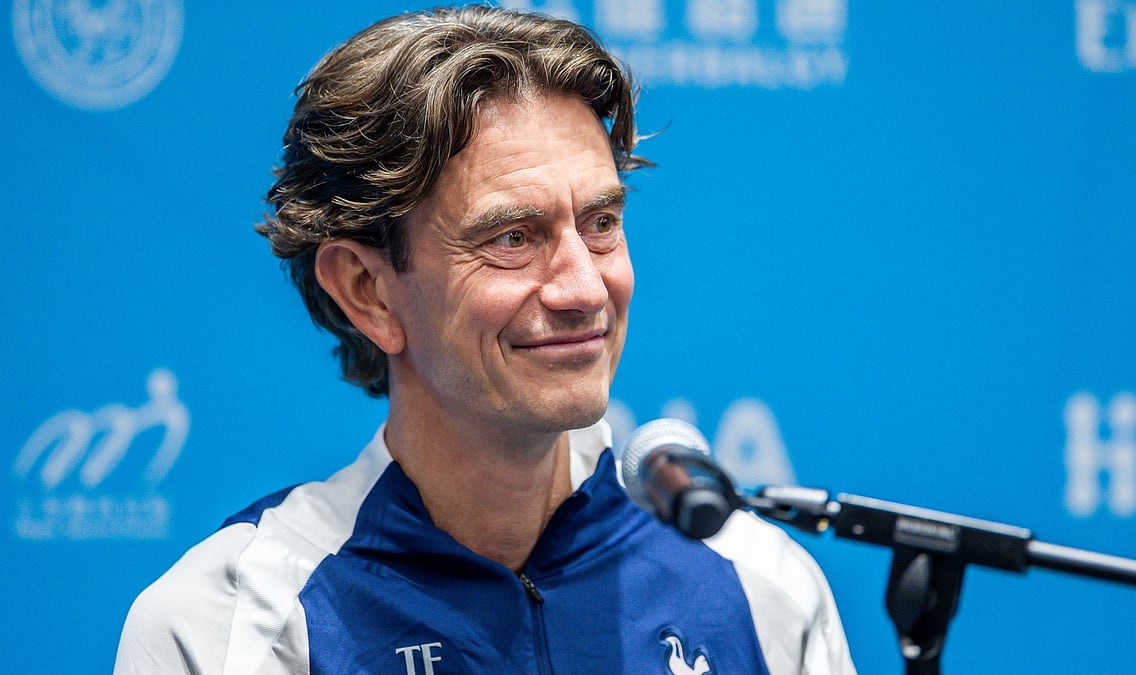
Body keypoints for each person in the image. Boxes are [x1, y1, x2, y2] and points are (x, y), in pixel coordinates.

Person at [115, 5, 856, 673]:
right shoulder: (232, 624)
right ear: (368, 290)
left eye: (601, 224)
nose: (583, 288)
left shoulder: (757, 583)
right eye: (512, 237)